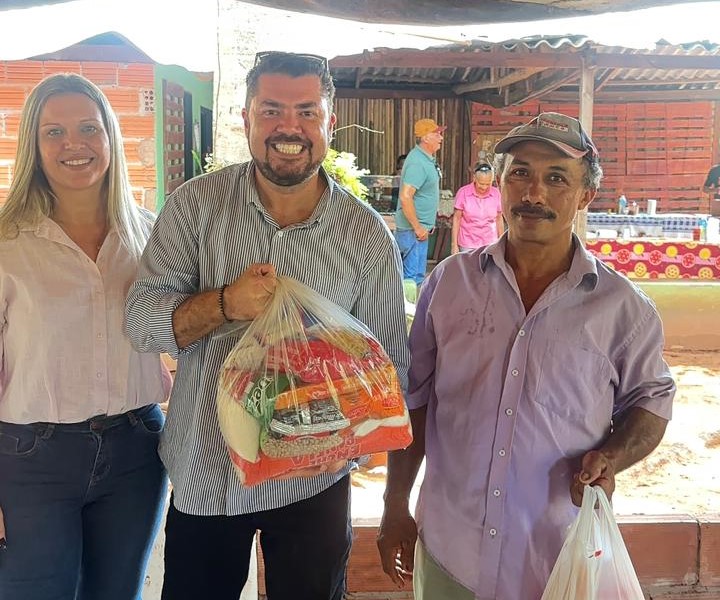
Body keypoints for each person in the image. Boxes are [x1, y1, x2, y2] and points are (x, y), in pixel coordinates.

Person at [125, 51, 409, 600]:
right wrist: (225, 303)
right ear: (246, 118)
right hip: (207, 468)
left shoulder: (364, 234)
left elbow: (390, 363)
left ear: (329, 121)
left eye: (306, 112)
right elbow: (142, 323)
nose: (289, 127)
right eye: (272, 110)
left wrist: (336, 437)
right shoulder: (195, 207)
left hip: (314, 478)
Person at [377, 112, 676, 600]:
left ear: (585, 195)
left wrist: (613, 456)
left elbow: (652, 401)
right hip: (452, 551)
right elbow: (415, 400)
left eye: (556, 178)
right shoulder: (449, 284)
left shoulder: (623, 309)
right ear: (500, 185)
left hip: (556, 559)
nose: (533, 193)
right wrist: (395, 504)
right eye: (520, 173)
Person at [0, 73, 169, 600]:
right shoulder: (7, 243)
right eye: (54, 132)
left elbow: (182, 331)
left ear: (110, 137)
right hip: (30, 459)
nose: (74, 144)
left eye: (88, 128)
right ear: (34, 146)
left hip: (137, 448)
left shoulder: (152, 236)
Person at [394, 118, 445, 286]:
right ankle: (407, 304)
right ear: (425, 137)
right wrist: (417, 227)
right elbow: (405, 196)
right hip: (413, 231)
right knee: (412, 279)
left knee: (415, 277)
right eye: (437, 134)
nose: (441, 138)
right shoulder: (417, 162)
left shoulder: (425, 159)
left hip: (417, 230)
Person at [450, 161, 503, 254]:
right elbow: (457, 219)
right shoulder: (463, 193)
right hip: (467, 243)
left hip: (490, 244)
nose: (484, 187)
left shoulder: (496, 194)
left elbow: (499, 219)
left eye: (488, 184)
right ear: (474, 178)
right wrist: (454, 245)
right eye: (481, 184)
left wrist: (501, 244)